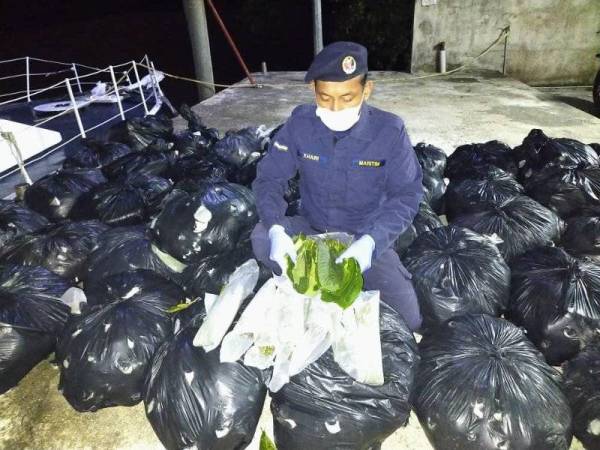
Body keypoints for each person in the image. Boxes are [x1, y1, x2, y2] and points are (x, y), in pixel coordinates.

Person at [251, 41, 423, 331]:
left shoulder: (390, 131)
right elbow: (270, 179)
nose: (335, 107)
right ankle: (312, 290)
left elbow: (406, 195)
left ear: (366, 90)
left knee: (409, 319)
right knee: (261, 238)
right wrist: (276, 228)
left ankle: (337, 282)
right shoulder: (299, 125)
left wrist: (370, 244)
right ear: (313, 91)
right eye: (325, 97)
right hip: (313, 230)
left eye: (347, 97)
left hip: (364, 237)